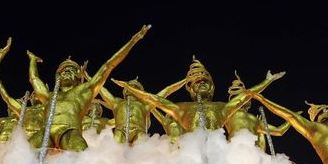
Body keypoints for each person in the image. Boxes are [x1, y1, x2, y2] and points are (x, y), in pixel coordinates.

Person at [26, 25, 150, 151]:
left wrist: (133, 40)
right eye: (63, 70)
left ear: (79, 77)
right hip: (46, 132)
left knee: (82, 154)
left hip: (69, 131)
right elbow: (34, 79)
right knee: (25, 152)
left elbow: (109, 65)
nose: (66, 72)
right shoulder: (49, 95)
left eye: (72, 70)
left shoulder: (83, 93)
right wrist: (32, 61)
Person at [113, 58, 283, 133]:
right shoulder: (182, 108)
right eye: (197, 82)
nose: (201, 83)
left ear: (211, 87)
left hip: (218, 152)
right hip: (192, 155)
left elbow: (244, 96)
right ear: (191, 89)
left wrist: (267, 81)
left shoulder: (221, 108)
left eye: (205, 81)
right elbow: (155, 99)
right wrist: (134, 91)